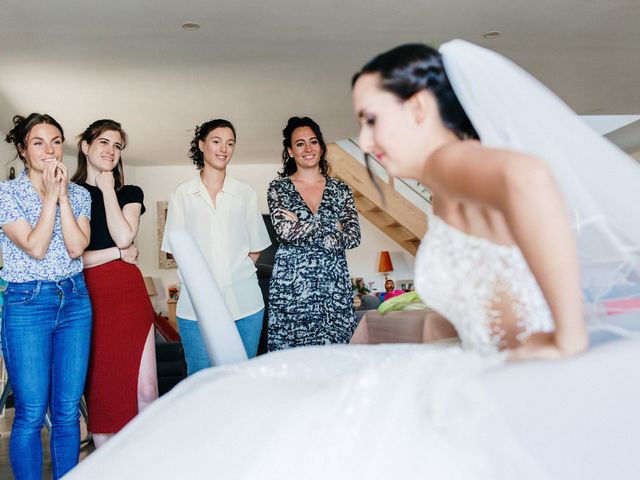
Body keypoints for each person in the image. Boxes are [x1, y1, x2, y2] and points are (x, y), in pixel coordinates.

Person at [66, 41, 640, 479]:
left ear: (417, 108)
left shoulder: (458, 164)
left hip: (508, 382)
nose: (362, 141)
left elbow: (530, 177)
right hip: (444, 352)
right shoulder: (441, 187)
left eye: (370, 119)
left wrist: (567, 333)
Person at [0, 113, 92, 479]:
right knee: (31, 411)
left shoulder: (81, 194)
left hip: (74, 302)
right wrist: (50, 197)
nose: (49, 149)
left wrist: (64, 197)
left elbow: (75, 247)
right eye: (38, 142)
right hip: (27, 304)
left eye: (55, 141)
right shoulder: (6, 195)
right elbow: (36, 247)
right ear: (23, 151)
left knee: (68, 410)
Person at [70, 119, 158, 447]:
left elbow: (124, 235)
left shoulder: (130, 193)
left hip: (129, 295)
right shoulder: (69, 194)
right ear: (85, 146)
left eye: (117, 146)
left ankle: (143, 465)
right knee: (104, 395)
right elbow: (71, 261)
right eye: (104, 142)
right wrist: (117, 254)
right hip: (90, 297)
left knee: (147, 390)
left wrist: (108, 189)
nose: (111, 150)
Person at [161, 118, 271, 375]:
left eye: (230, 143)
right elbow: (176, 249)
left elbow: (255, 249)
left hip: (245, 305)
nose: (224, 149)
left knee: (241, 380)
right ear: (201, 145)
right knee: (201, 381)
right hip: (195, 309)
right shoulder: (182, 195)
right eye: (216, 141)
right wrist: (204, 284)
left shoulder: (245, 193)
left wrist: (232, 275)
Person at [267, 116, 361, 351]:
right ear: (290, 151)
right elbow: (284, 232)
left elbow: (354, 235)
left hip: (333, 288)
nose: (308, 149)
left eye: (313, 141)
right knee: (292, 364)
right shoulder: (278, 188)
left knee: (337, 360)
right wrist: (331, 227)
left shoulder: (341, 189)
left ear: (321, 146)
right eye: (300, 144)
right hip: (292, 287)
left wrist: (302, 224)